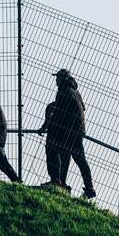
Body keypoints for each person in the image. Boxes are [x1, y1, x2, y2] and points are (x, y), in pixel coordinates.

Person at [38, 69, 96, 198]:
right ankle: (88, 187)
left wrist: (48, 127)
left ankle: (57, 181)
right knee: (78, 159)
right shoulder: (75, 91)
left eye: (57, 78)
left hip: (69, 129)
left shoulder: (64, 91)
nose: (56, 80)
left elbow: (59, 112)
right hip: (77, 130)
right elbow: (79, 107)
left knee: (52, 149)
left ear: (62, 79)